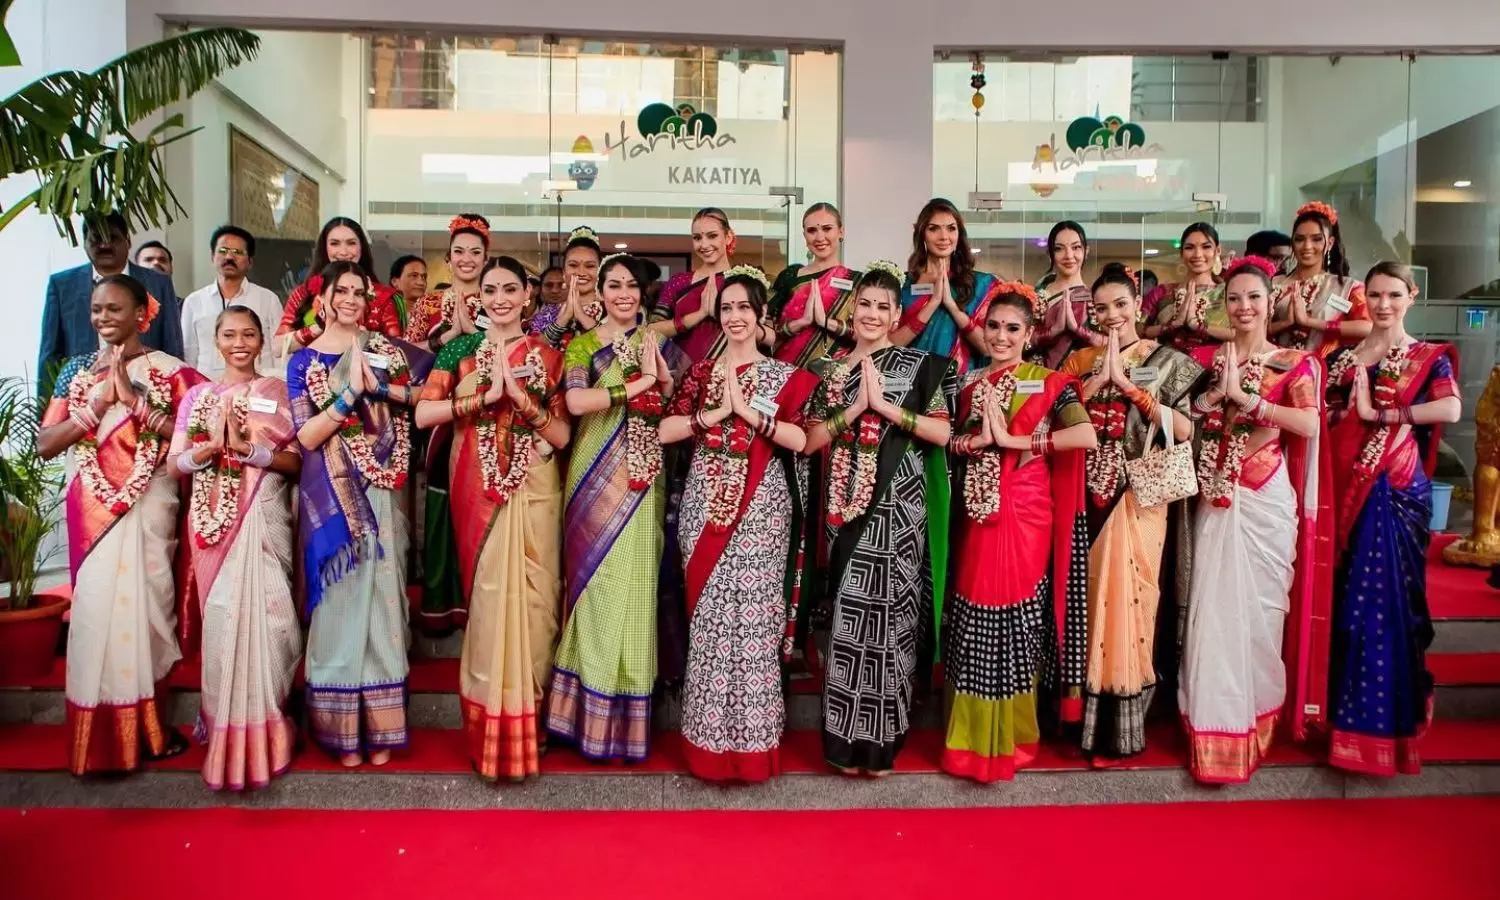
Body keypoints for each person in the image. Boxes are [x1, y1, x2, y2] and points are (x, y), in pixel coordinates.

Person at [37, 274, 206, 775]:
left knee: (148, 611)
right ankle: (98, 745)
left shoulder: (170, 371)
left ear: (141, 314)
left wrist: (136, 403)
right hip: (92, 514)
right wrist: (94, 408)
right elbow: (46, 444)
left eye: (114, 309)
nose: (103, 318)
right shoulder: (75, 372)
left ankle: (149, 732)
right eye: (97, 309)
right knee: (95, 614)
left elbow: (200, 436)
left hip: (149, 507)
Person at [414, 256, 571, 781]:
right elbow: (424, 413)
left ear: (528, 295)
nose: (500, 299)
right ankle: (488, 734)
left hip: (536, 489)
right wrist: (483, 399)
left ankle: (530, 727)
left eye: (510, 289)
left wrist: (522, 401)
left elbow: (561, 436)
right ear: (477, 297)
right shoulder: (459, 351)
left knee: (537, 605)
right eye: (490, 290)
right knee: (487, 604)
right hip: (477, 490)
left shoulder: (549, 355)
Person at [661, 266, 819, 783]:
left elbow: (801, 440)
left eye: (743, 308)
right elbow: (664, 430)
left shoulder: (784, 377)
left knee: (754, 623)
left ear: (761, 314)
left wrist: (748, 413)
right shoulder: (701, 373)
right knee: (709, 622)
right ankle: (707, 748)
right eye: (726, 308)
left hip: (763, 511)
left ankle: (752, 750)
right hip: (705, 505)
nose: (734, 317)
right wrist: (711, 416)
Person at [1179, 256, 1330, 784]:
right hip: (1215, 491)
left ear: (1272, 303)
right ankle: (1212, 725)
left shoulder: (1294, 363)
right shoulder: (1206, 359)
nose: (1244, 307)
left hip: (1264, 495)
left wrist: (1250, 402)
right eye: (1235, 298)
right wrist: (1210, 399)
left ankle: (1256, 720)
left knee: (1261, 613)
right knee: (1211, 609)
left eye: (1254, 298)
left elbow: (1309, 424)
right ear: (1224, 305)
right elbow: (1187, 418)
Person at [803, 261, 956, 775]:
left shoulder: (920, 366)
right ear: (853, 310)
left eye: (882, 306)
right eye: (864, 304)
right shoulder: (828, 370)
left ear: (896, 316)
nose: (871, 313)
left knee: (893, 617)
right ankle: (843, 741)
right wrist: (853, 409)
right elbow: (810, 441)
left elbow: (942, 433)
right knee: (848, 615)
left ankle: (881, 742)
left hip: (900, 504)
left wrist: (886, 409)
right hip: (844, 504)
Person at [942, 283, 1096, 783]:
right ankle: (969, 742)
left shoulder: (1049, 382)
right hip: (976, 511)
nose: (1001, 336)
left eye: (1013, 328)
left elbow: (1084, 434)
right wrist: (970, 444)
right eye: (993, 326)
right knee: (974, 615)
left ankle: (1010, 738)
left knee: (1014, 619)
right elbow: (951, 441)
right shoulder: (967, 384)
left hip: (1026, 513)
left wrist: (1018, 441)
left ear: (1030, 335)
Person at [287, 260, 432, 767]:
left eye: (358, 292)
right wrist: (350, 393)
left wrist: (381, 388)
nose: (350, 299)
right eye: (341, 291)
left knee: (383, 605)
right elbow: (306, 437)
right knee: (340, 605)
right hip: (331, 495)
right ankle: (342, 732)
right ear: (322, 300)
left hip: (380, 490)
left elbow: (425, 393)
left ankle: (381, 726)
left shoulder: (386, 350)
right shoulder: (303, 361)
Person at [1060, 263, 1204, 764]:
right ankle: (1082, 721)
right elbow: (1056, 417)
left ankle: (1121, 727)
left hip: (1139, 494)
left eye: (1121, 304)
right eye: (1102, 309)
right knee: (1087, 603)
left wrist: (1131, 389)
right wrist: (1099, 380)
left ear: (1138, 305)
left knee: (1134, 601)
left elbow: (1185, 431)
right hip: (1085, 495)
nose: (1113, 315)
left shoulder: (1168, 361)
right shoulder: (1080, 361)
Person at [546, 253, 685, 761]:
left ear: (641, 293)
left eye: (631, 285)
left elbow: (678, 405)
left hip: (644, 476)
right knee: (596, 584)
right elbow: (576, 403)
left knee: (637, 585)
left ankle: (625, 725)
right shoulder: (583, 344)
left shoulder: (659, 344)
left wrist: (662, 384)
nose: (623, 294)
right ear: (599, 292)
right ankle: (586, 717)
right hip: (593, 476)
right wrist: (638, 385)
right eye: (614, 285)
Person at [1325, 262, 1461, 777]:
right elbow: (1322, 414)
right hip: (1343, 483)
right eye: (1376, 295)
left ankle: (1382, 728)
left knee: (1384, 603)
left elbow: (1449, 410)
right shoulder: (1343, 358)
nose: (1384, 305)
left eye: (1394, 295)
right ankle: (1342, 719)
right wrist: (1344, 412)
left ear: (1412, 296)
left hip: (1394, 487)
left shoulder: (1426, 357)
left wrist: (1382, 415)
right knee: (1344, 604)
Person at [166, 306, 302, 790]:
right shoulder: (197, 397)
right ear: (216, 340)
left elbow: (295, 462)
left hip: (263, 517)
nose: (239, 343)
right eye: (229, 334)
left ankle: (271, 727)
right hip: (214, 525)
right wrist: (207, 450)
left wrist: (249, 451)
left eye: (248, 334)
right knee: (224, 621)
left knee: (275, 621)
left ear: (262, 340)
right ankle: (228, 733)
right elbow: (173, 466)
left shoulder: (277, 392)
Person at [39, 213, 183, 382]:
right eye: (96, 239)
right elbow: (50, 355)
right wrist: (46, 396)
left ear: (128, 241)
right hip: (80, 389)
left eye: (112, 238)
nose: (104, 245)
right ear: (84, 243)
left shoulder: (158, 283)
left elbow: (172, 345)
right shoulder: (63, 285)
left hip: (148, 388)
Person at [894, 198, 1003, 375]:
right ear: (921, 233)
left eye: (951, 228)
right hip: (912, 382)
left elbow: (988, 348)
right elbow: (888, 345)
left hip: (964, 382)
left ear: (960, 233)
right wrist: (933, 304)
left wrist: (952, 307)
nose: (944, 237)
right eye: (933, 228)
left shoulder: (982, 284)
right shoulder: (903, 285)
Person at [275, 217, 402, 353]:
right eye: (334, 243)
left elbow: (397, 351)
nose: (343, 252)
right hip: (312, 365)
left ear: (362, 248)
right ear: (325, 248)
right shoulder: (304, 293)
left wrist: (364, 337)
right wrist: (318, 326)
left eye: (351, 243)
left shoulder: (383, 296)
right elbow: (278, 348)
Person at [651, 209, 761, 363]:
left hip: (733, 369)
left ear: (728, 237)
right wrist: (698, 315)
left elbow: (770, 335)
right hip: (682, 372)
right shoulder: (679, 281)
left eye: (712, 236)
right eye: (697, 238)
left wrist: (722, 316)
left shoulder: (746, 281)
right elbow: (651, 330)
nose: (704, 244)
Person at [179, 226, 285, 379]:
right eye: (222, 251)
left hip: (257, 387)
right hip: (208, 387)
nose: (229, 257)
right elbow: (188, 354)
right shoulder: (194, 301)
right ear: (212, 257)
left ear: (250, 261)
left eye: (237, 252)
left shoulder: (268, 299)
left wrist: (278, 384)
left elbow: (281, 351)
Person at [1270, 202, 1371, 358]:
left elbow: (1368, 327)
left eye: (1316, 239)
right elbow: (1250, 328)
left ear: (1329, 243)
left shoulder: (1346, 288)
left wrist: (1309, 322)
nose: (1307, 246)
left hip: (1326, 368)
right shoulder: (1273, 284)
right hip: (1274, 367)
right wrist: (1284, 323)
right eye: (1299, 239)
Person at [768, 203, 860, 367]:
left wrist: (826, 322)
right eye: (812, 231)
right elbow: (766, 329)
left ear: (841, 231)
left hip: (835, 374)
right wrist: (801, 322)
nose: (819, 237)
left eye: (827, 228)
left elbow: (867, 334)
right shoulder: (790, 277)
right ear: (804, 236)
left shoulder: (857, 281)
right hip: (787, 371)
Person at [1142, 222, 1229, 362]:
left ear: (1217, 250)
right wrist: (1171, 326)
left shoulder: (1229, 294)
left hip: (1217, 368)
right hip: (1167, 368)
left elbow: (1243, 334)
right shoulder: (1161, 293)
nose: (1198, 254)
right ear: (1181, 253)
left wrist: (1199, 327)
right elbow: (1138, 330)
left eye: (1206, 247)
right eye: (1189, 248)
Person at [406, 215, 490, 350]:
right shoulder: (427, 303)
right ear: (449, 257)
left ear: (485, 260)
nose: (466, 259)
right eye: (458, 251)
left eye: (475, 252)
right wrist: (446, 337)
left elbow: (512, 352)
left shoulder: (496, 303)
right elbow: (406, 352)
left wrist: (472, 331)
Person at [1030, 221, 1104, 369]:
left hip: (1082, 376)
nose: (1069, 256)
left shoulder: (1096, 297)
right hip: (1039, 376)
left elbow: (1114, 342)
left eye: (1076, 247)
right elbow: (1019, 341)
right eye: (1059, 249)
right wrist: (1052, 331)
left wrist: (1078, 330)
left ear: (1086, 251)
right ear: (1050, 254)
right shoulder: (1034, 297)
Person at [537, 227, 607, 347]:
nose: (581, 272)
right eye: (573, 265)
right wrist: (564, 318)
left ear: (600, 272)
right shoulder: (547, 314)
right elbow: (532, 350)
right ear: (564, 273)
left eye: (590, 266)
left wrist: (582, 316)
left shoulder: (612, 310)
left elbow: (617, 350)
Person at [389, 255, 429, 331]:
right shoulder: (384, 314)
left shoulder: (432, 314)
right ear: (395, 282)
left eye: (424, 277)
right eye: (414, 276)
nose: (421, 282)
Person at [527, 265, 568, 336]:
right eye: (549, 285)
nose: (554, 290)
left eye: (561, 285)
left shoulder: (578, 316)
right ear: (540, 289)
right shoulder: (527, 317)